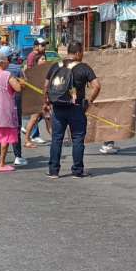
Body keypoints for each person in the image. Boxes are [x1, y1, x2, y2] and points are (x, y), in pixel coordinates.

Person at [44, 42, 99, 179]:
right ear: (79, 53)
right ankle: (77, 170)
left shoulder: (56, 66)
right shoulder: (83, 68)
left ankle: (53, 171)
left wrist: (47, 102)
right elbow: (97, 86)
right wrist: (89, 101)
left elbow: (45, 86)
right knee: (77, 138)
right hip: (76, 108)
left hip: (58, 108)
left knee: (57, 139)